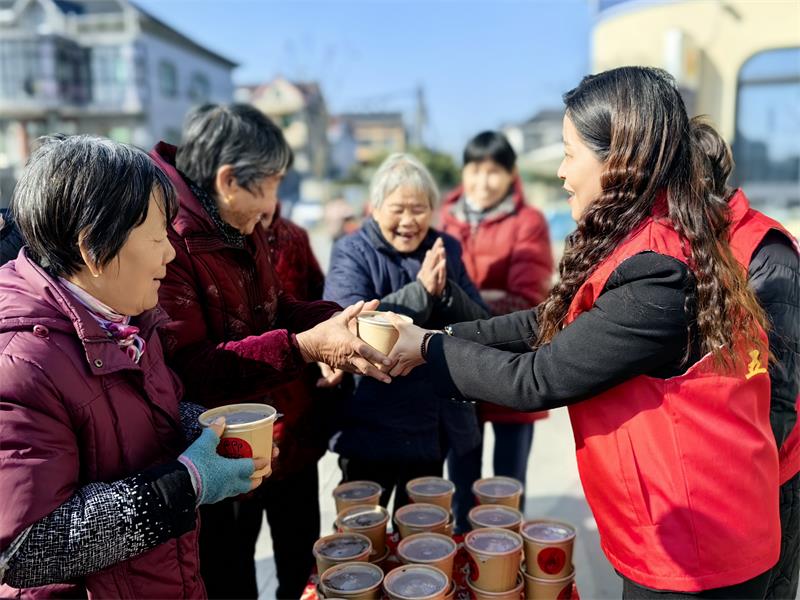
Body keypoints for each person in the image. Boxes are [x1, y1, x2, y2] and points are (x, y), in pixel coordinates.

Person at [386, 67, 782, 598]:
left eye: (570, 153)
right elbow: (543, 322)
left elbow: (538, 378)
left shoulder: (658, 270)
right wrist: (438, 332)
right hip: (676, 526)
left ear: (619, 161)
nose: (561, 172)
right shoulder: (639, 239)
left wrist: (429, 348)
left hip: (698, 548)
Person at [0, 135, 271, 597]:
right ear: (94, 247)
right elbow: (26, 550)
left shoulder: (126, 317)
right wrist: (188, 482)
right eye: (157, 235)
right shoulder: (22, 362)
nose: (170, 252)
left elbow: (141, 417)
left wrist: (204, 429)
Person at [149, 104, 391, 599]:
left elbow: (276, 307)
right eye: (273, 184)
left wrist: (339, 321)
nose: (276, 204)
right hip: (219, 451)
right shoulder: (167, 240)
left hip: (288, 434)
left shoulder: (241, 221)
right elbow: (191, 369)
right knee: (230, 578)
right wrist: (305, 347)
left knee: (301, 568)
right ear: (230, 180)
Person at [324, 153, 488, 510]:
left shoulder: (445, 249)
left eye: (420, 209)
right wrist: (422, 291)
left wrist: (446, 291)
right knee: (363, 537)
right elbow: (347, 325)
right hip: (369, 422)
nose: (409, 221)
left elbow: (481, 323)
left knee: (422, 534)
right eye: (398, 209)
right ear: (375, 207)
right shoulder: (352, 251)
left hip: (432, 424)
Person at [691, 118, 800, 599]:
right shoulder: (698, 242)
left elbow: (781, 387)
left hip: (769, 475)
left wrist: (740, 478)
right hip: (714, 471)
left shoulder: (766, 251)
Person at [439, 131, 553, 532]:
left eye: (494, 172)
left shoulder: (529, 221)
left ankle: (501, 573)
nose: (482, 181)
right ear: (463, 171)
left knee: (507, 487)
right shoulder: (444, 219)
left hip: (511, 368)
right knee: (461, 487)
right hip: (457, 371)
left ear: (511, 175)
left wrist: (457, 304)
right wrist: (484, 298)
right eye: (475, 169)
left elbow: (526, 301)